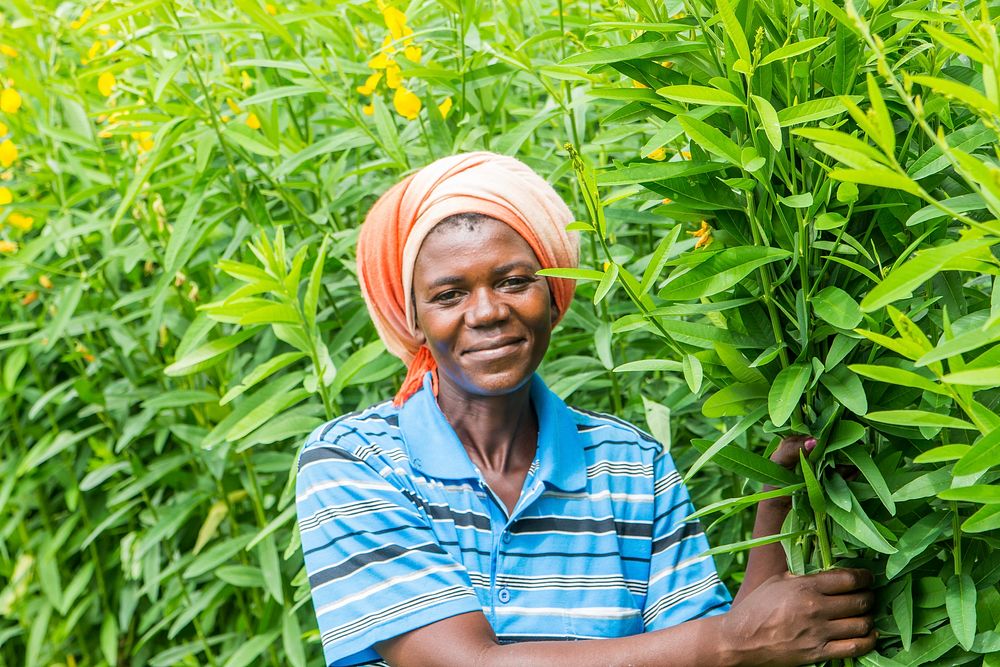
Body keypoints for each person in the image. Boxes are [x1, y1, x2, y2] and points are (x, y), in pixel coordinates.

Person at [295, 152, 876, 667]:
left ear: (554, 295)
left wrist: (773, 512)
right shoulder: (355, 460)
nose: (487, 312)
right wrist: (732, 643)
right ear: (412, 318)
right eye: (449, 294)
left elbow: (703, 652)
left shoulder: (630, 463)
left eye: (514, 280)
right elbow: (462, 662)